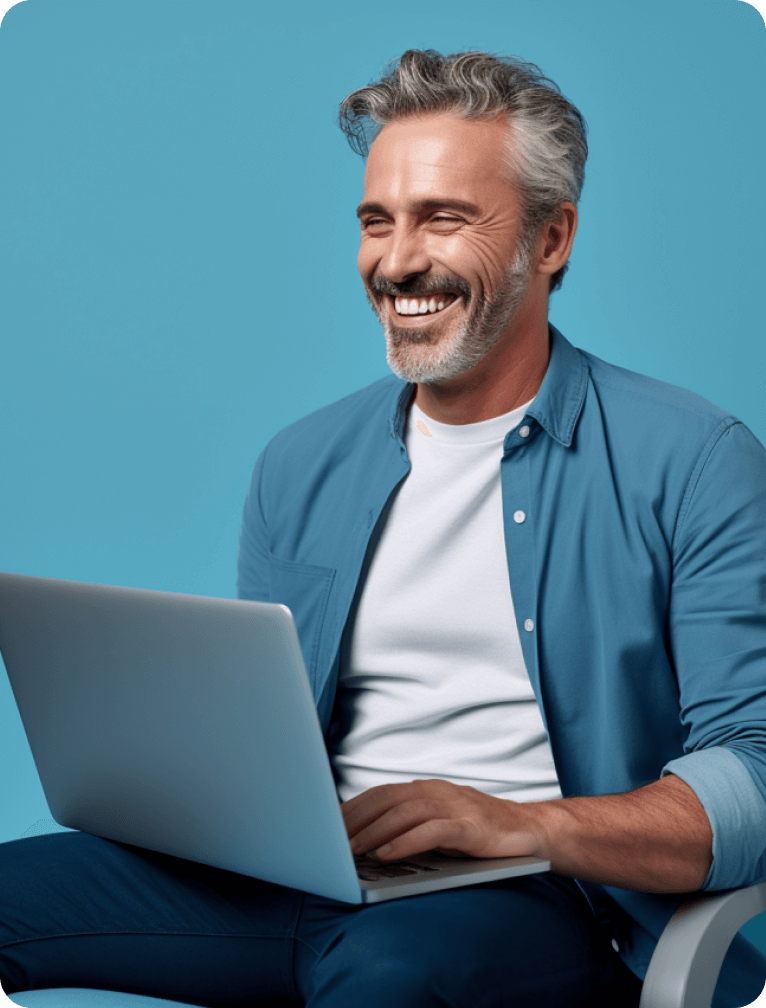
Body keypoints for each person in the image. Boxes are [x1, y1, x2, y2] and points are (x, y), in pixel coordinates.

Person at [2, 48, 766, 1008]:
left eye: (444, 218)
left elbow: (756, 772)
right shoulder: (299, 463)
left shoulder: (696, 460)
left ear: (552, 238)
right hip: (303, 879)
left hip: (541, 901)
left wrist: (523, 824)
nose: (398, 260)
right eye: (377, 220)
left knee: (389, 978)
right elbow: (267, 729)